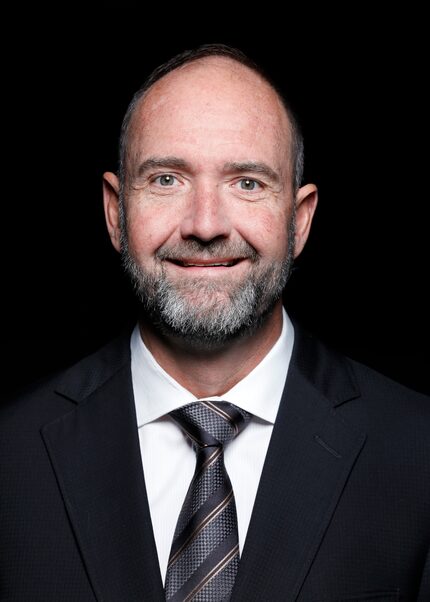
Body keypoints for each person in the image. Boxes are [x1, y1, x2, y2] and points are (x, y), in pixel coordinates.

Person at [1, 43, 429, 602]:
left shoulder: (418, 453)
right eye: (166, 180)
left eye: (247, 182)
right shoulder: (10, 457)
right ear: (115, 211)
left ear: (298, 222)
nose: (205, 225)